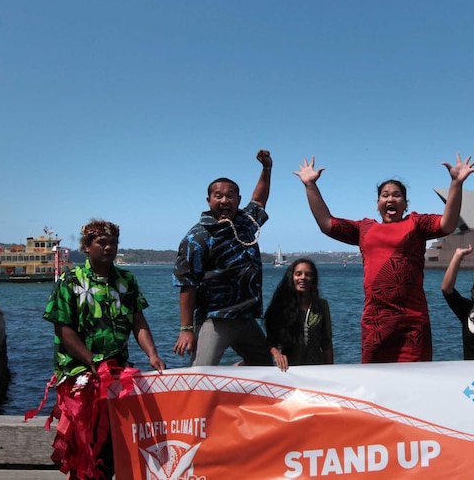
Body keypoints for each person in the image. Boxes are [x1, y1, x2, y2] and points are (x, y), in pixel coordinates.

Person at [294, 153, 474, 363]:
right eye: (385, 195)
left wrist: (456, 183)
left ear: (405, 204)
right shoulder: (364, 229)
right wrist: (310, 186)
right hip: (376, 322)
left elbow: (447, 224)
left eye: (397, 195)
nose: (390, 199)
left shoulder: (416, 224)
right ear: (377, 203)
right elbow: (327, 223)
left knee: (416, 380)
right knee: (376, 381)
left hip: (413, 321)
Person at [41, 219, 166, 479]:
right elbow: (63, 330)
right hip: (80, 371)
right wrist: (92, 361)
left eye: (113, 243)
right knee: (86, 442)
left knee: (113, 440)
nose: (109, 248)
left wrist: (152, 354)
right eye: (102, 243)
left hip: (115, 370)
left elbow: (138, 321)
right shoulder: (70, 280)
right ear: (87, 246)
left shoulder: (126, 280)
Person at [173, 149, 275, 367]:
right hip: (216, 318)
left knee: (263, 364)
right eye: (218, 196)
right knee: (202, 371)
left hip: (245, 316)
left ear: (238, 199)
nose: (224, 200)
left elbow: (259, 200)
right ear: (209, 200)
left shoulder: (246, 222)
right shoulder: (197, 237)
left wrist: (266, 169)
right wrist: (186, 329)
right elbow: (187, 285)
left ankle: (233, 377)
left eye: (230, 195)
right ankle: (194, 400)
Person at [264, 258, 334, 371]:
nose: (303, 277)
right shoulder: (281, 306)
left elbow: (327, 342)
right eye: (298, 274)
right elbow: (270, 340)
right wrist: (277, 355)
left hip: (317, 369)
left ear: (313, 279)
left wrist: (331, 370)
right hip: (290, 369)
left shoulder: (321, 306)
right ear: (292, 277)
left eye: (308, 274)